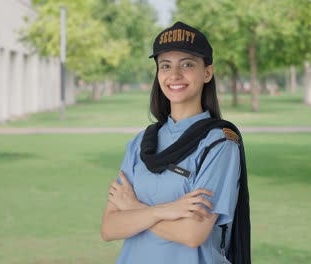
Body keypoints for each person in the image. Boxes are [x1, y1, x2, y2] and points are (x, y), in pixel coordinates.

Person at [101, 21, 251, 264]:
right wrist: (163, 211)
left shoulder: (219, 143)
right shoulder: (140, 143)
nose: (175, 75)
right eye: (165, 66)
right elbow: (109, 227)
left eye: (187, 64)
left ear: (207, 73)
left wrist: (134, 209)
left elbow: (192, 234)